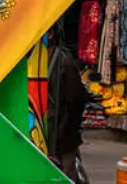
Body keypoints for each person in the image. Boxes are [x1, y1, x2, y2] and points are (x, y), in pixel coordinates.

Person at [47, 26, 89, 182]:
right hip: (53, 131)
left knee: (66, 173)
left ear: (50, 34)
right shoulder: (41, 58)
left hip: (61, 132)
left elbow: (76, 97)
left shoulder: (62, 60)